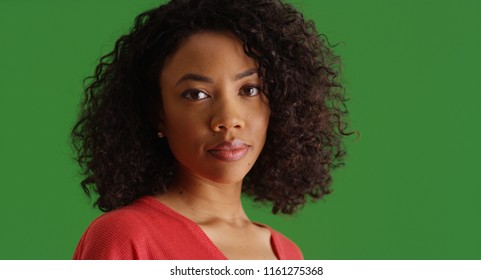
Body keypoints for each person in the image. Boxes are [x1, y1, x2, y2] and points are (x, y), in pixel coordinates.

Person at [71, 0, 352, 260]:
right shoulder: (125, 238)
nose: (228, 119)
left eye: (249, 89)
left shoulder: (287, 255)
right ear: (158, 114)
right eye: (196, 94)